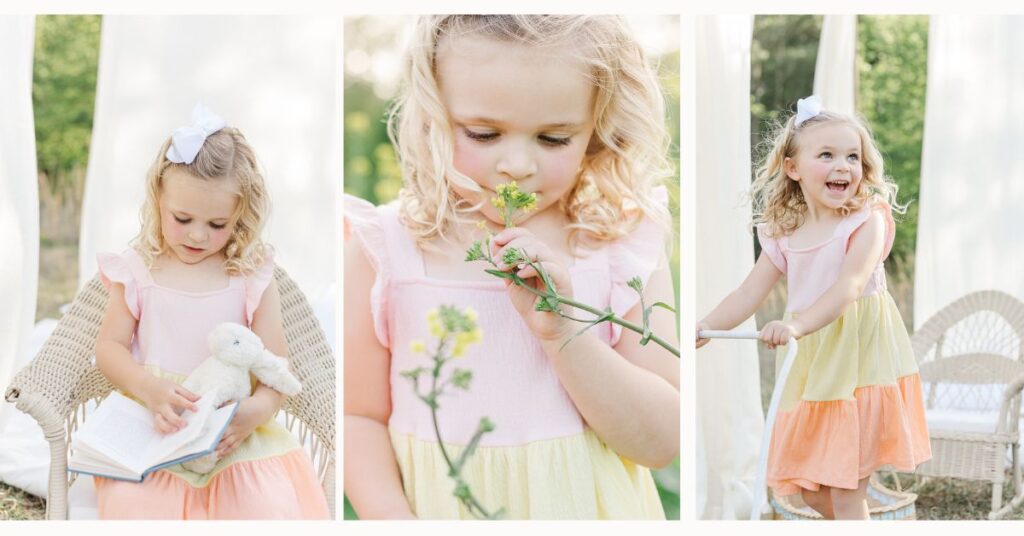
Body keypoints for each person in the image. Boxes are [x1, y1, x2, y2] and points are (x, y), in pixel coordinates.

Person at [344, 15, 680, 519]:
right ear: (433, 115)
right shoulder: (386, 249)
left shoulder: (619, 243)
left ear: (596, 131)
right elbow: (358, 416)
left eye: (553, 138)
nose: (518, 165)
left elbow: (659, 441)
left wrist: (562, 330)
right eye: (483, 134)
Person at [696, 96, 931, 520]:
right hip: (815, 363)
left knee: (845, 489)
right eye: (826, 155)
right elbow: (748, 294)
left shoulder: (866, 220)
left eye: (852, 157)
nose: (844, 166)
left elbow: (849, 287)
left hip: (858, 359)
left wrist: (797, 324)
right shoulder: (785, 232)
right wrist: (707, 325)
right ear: (793, 167)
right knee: (810, 494)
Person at [92, 105, 330, 519]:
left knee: (265, 506)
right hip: (160, 418)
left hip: (230, 425)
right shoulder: (138, 268)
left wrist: (257, 411)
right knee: (138, 507)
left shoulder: (251, 274)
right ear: (158, 200)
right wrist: (148, 388)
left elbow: (275, 362)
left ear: (239, 216)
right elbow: (109, 347)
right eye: (182, 218)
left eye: (217, 224)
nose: (199, 235)